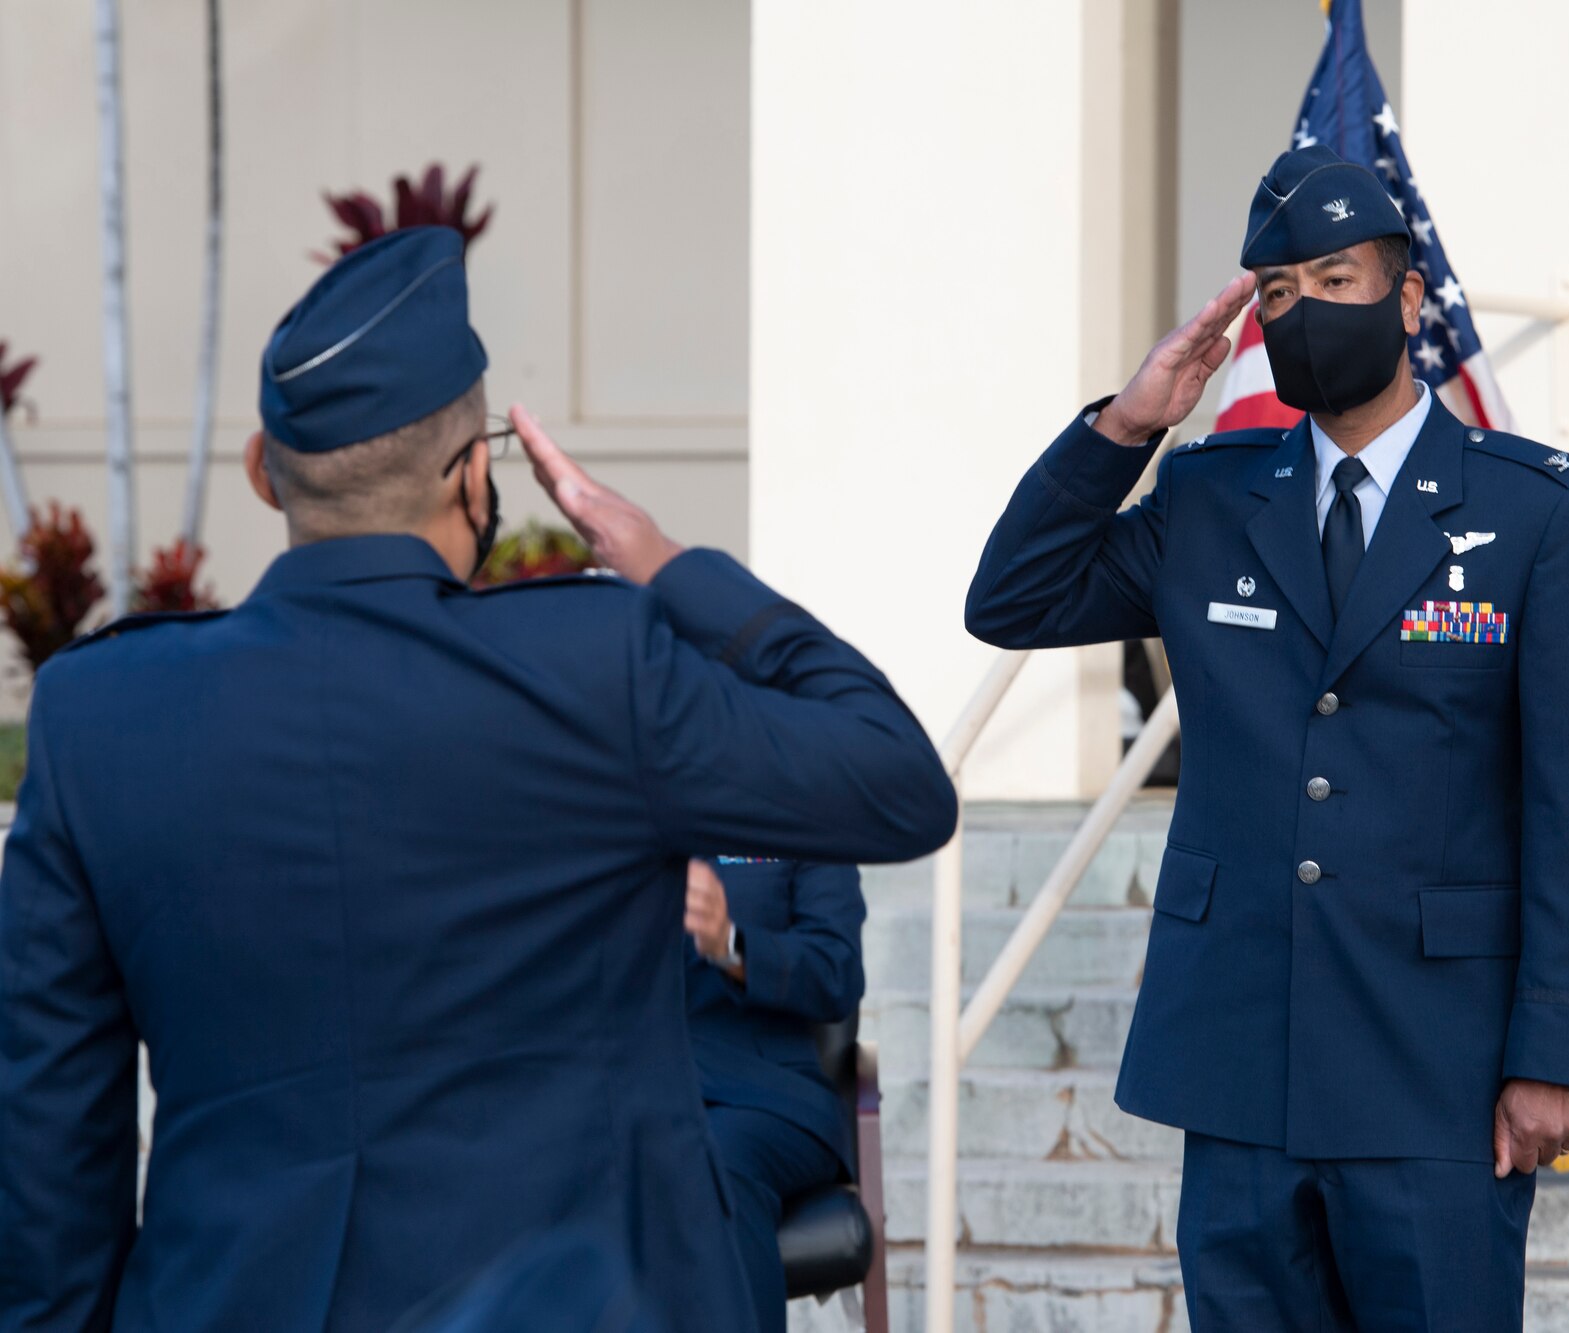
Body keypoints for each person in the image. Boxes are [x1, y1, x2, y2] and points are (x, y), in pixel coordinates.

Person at [0, 226, 957, 1333]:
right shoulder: (596, 664)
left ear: (265, 475)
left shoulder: (100, 713)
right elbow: (897, 780)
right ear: (472, 472)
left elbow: (47, 1131)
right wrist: (667, 567)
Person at [964, 146, 1569, 1331]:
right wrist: (1128, 424)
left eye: (1335, 279)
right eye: (1276, 291)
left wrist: (1558, 1049)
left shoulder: (1529, 511)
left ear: (1407, 298)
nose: (1303, 310)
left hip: (1434, 1069)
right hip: (1239, 1067)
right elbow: (1013, 598)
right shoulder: (1209, 495)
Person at [682, 856, 863, 1333]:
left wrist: (732, 947)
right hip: (635, 1088)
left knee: (714, 1164)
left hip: (764, 1092)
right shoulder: (619, 803)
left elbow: (836, 971)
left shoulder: (801, 813)